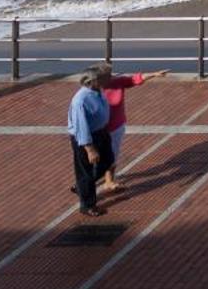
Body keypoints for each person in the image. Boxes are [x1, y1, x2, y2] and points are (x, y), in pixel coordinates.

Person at [96, 64, 170, 194]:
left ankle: (109, 181)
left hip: (115, 127)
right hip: (97, 128)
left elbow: (135, 79)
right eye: (107, 75)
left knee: (112, 155)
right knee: (95, 156)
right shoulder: (92, 89)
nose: (111, 77)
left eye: (110, 74)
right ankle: (87, 181)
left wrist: (154, 74)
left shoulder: (117, 82)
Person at [67, 68, 113, 215]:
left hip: (101, 133)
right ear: (94, 81)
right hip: (87, 138)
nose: (109, 79)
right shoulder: (80, 100)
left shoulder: (98, 92)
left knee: (108, 160)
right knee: (85, 171)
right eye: (106, 77)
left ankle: (82, 187)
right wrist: (89, 148)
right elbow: (81, 126)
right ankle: (87, 206)